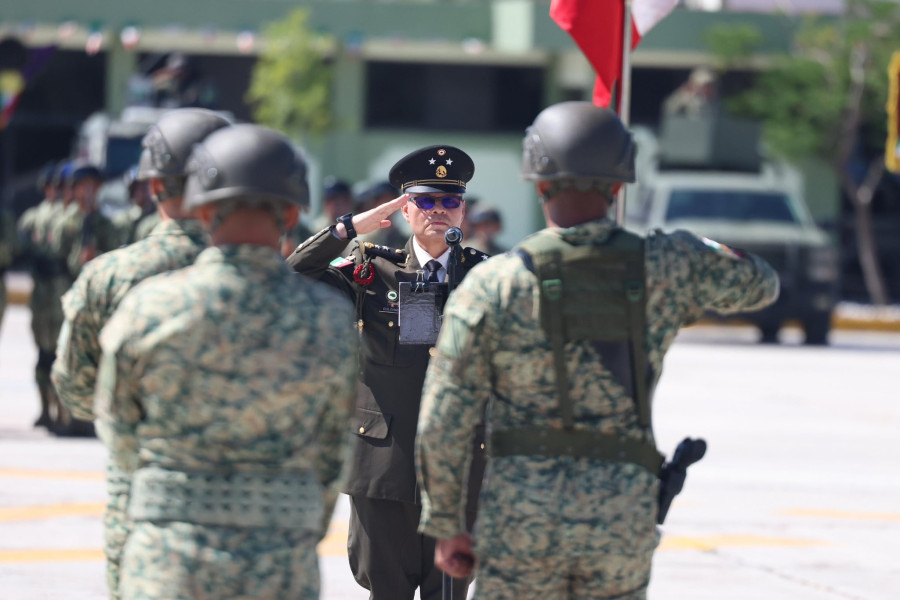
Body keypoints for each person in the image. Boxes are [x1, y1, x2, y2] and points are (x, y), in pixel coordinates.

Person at [415, 102, 780, 599]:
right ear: (619, 184)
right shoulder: (667, 265)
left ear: (538, 182)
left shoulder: (493, 285)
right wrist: (694, 248)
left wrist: (445, 523)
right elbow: (761, 283)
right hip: (622, 516)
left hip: (523, 517)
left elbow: (443, 417)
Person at [94, 124, 358, 600]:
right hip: (279, 561)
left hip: (168, 557)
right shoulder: (329, 320)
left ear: (202, 209)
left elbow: (119, 432)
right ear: (293, 211)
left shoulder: (150, 307)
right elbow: (332, 451)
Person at [287, 144, 489, 600]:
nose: (438, 211)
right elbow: (294, 275)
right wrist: (346, 228)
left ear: (463, 211)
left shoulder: (484, 277)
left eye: (450, 201)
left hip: (458, 473)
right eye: (425, 200)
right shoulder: (370, 268)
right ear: (403, 208)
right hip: (383, 470)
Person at [51, 108, 230, 600]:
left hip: (144, 505)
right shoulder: (285, 285)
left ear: (153, 187)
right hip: (255, 524)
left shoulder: (111, 276)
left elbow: (77, 392)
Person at [17, 161, 68, 429]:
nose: (55, 191)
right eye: (51, 186)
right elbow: (19, 246)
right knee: (42, 353)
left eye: (59, 187)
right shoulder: (33, 217)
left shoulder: (68, 217)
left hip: (60, 290)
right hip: (41, 292)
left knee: (61, 352)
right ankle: (44, 409)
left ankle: (62, 411)